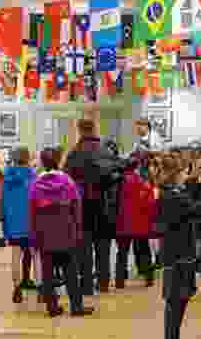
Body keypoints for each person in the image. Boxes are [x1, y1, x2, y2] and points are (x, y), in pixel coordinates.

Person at [29, 148, 94, 318]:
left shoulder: (35, 185)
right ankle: (76, 307)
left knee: (47, 273)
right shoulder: (68, 182)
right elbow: (76, 209)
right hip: (66, 232)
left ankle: (52, 308)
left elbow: (32, 213)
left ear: (42, 163)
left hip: (44, 234)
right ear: (58, 161)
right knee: (71, 271)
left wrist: (34, 237)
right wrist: (77, 231)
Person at [156, 150, 201, 339]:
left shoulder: (170, 191)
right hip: (179, 254)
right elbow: (199, 209)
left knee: (178, 299)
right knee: (177, 299)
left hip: (175, 252)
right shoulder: (173, 195)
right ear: (177, 172)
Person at [63, 119, 119, 294]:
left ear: (79, 130)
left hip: (82, 207)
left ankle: (86, 284)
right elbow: (117, 177)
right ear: (95, 129)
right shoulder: (106, 152)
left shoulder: (74, 154)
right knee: (103, 247)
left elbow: (67, 182)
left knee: (84, 249)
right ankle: (103, 283)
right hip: (105, 206)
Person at [115, 154, 156, 288]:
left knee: (122, 253)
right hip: (140, 222)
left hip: (123, 222)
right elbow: (150, 202)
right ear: (136, 167)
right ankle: (149, 278)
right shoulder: (142, 182)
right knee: (144, 250)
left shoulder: (119, 182)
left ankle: (119, 280)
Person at [1, 146, 36, 303]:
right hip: (30, 222)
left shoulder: (7, 175)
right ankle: (40, 287)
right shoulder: (32, 174)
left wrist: (5, 222)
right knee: (35, 255)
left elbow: (3, 201)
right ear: (27, 158)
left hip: (13, 223)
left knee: (15, 256)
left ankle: (16, 288)